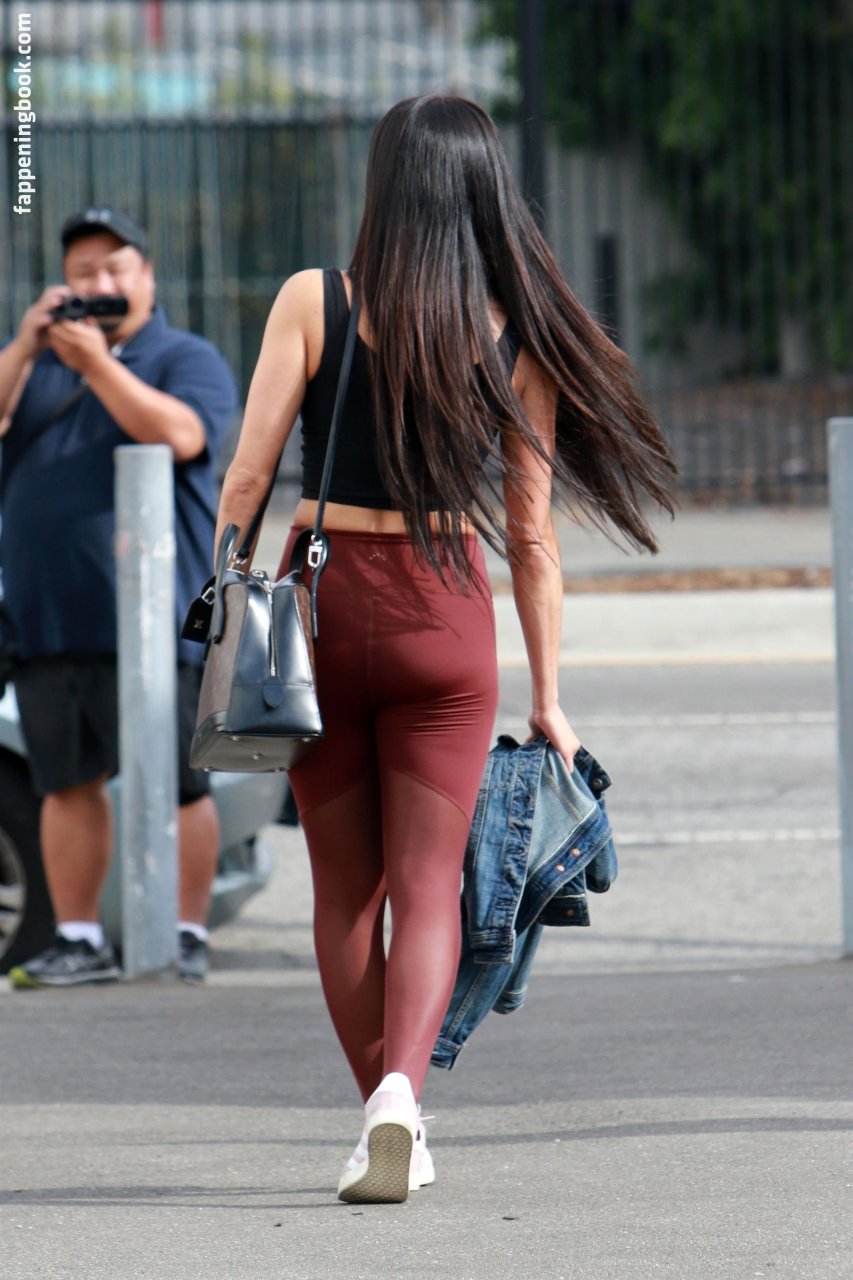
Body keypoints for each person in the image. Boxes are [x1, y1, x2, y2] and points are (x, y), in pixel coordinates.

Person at [215, 95, 677, 1203]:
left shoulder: (314, 299)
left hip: (320, 613)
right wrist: (549, 696)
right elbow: (531, 536)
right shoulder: (518, 334)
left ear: (382, 187)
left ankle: (386, 1111)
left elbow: (247, 476)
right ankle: (401, 1102)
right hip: (446, 614)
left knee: (345, 893)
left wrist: (227, 599)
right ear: (484, 193)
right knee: (428, 888)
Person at [0, 207, 238, 987]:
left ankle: (185, 933)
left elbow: (183, 435)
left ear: (147, 276)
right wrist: (26, 345)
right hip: (49, 617)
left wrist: (98, 365)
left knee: (179, 782)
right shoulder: (39, 362)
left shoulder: (184, 355)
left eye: (113, 269)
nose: (98, 284)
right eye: (82, 273)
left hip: (157, 616)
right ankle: (77, 937)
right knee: (65, 782)